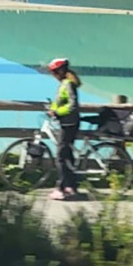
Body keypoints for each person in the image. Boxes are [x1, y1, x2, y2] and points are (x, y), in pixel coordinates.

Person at [46, 57, 81, 200]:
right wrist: (52, 109)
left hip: (69, 123)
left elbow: (72, 105)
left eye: (54, 72)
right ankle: (71, 186)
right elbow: (59, 101)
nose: (53, 75)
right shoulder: (64, 84)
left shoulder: (68, 84)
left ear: (61, 71)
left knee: (60, 156)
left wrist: (58, 112)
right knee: (67, 155)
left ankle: (60, 188)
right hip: (67, 122)